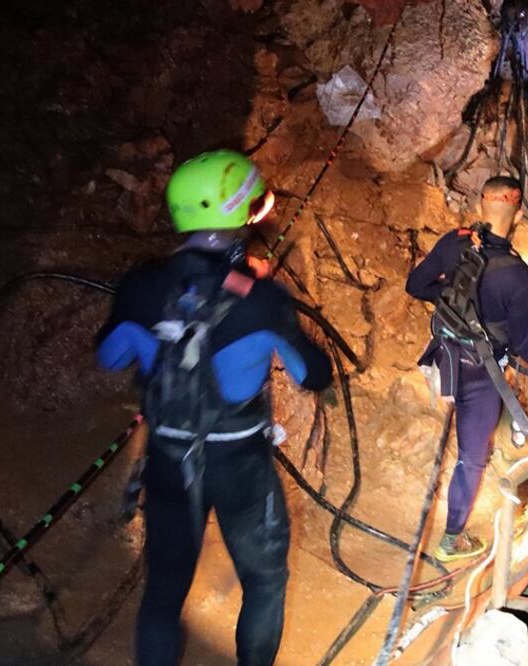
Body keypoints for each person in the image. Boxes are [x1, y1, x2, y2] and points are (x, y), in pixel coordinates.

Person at [96, 150, 333, 666]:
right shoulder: (261, 299)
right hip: (240, 465)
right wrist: (269, 308)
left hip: (168, 459)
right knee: (265, 582)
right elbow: (313, 375)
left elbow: (110, 357)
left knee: (163, 589)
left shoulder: (141, 284)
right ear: (242, 211)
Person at [406, 176, 528, 562]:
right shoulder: (518, 275)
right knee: (472, 457)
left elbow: (416, 285)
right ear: (516, 212)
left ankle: (454, 531)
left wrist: (449, 297)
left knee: (470, 437)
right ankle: (452, 540)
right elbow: (524, 343)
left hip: (443, 356)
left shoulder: (453, 241)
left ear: (482, 204)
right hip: (480, 375)